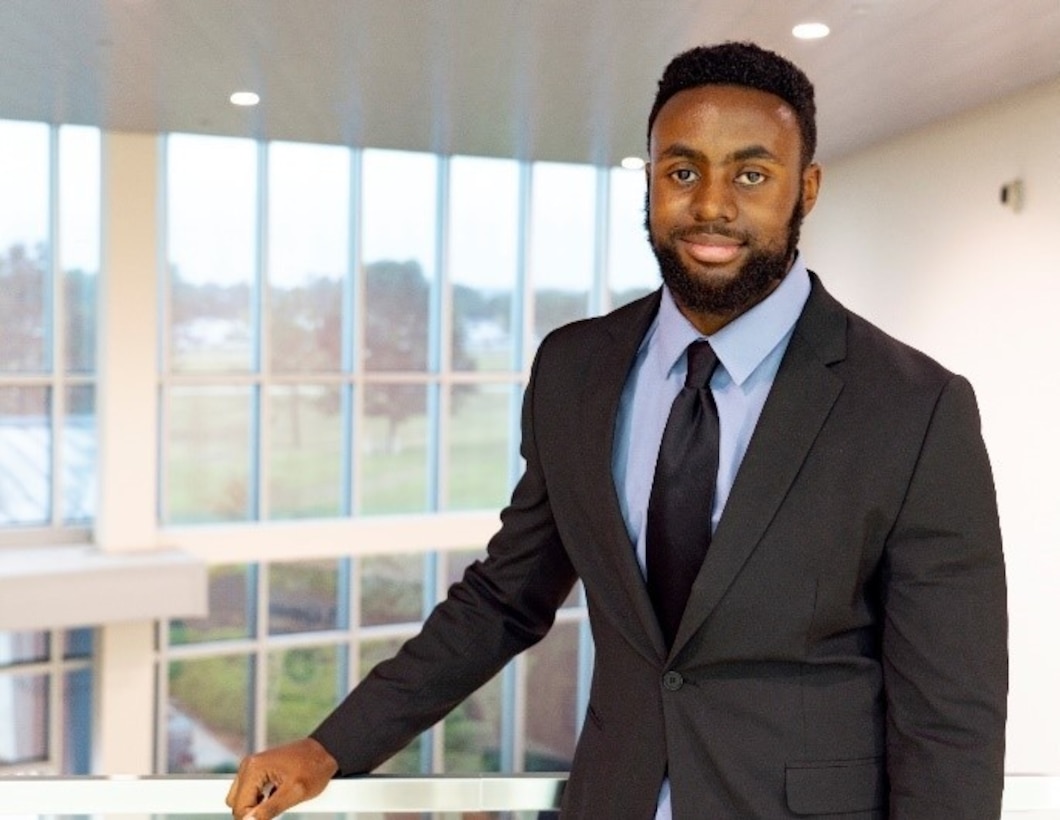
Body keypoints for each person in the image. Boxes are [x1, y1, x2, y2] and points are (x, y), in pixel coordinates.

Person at [226, 41, 1007, 819]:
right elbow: (504, 597)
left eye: (751, 173)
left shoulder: (914, 407)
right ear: (651, 182)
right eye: (682, 170)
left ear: (806, 189)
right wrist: (331, 747)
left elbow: (950, 716)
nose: (711, 204)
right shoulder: (575, 371)